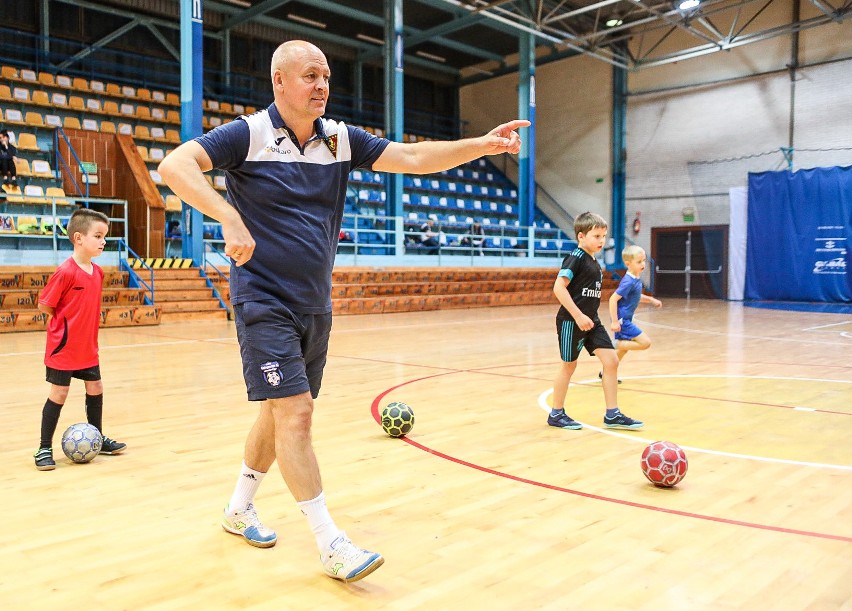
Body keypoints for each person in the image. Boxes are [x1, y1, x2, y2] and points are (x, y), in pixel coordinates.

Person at [157, 39, 528, 584]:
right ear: (278, 80)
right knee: (298, 413)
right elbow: (175, 164)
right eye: (310, 76)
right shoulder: (248, 134)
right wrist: (227, 217)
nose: (322, 85)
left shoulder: (339, 138)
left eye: (326, 76)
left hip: (314, 302)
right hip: (263, 298)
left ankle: (239, 508)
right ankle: (331, 542)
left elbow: (412, 157)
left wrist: (481, 144)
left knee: (277, 412)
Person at [33, 208, 127, 470]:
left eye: (104, 236)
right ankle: (43, 447)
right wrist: (65, 327)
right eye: (98, 235)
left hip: (88, 349)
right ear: (78, 238)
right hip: (63, 349)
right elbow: (45, 305)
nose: (103, 241)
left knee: (95, 388)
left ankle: (96, 438)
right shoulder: (65, 271)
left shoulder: (97, 272)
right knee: (59, 393)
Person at [547, 211, 644, 431]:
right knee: (568, 366)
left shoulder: (593, 261)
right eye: (596, 236)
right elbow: (558, 287)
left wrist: (589, 317)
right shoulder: (576, 258)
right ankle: (556, 413)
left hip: (592, 322)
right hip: (572, 322)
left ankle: (612, 414)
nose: (601, 241)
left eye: (603, 236)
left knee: (611, 361)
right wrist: (578, 316)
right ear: (581, 236)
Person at [607, 245, 662, 374]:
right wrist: (615, 322)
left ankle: (606, 373)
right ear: (628, 264)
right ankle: (612, 344)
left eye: (643, 261)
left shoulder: (635, 279)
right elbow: (613, 299)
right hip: (622, 320)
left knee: (623, 350)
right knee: (645, 343)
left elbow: (636, 296)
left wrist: (651, 300)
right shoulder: (628, 282)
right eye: (639, 262)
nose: (642, 264)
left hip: (625, 318)